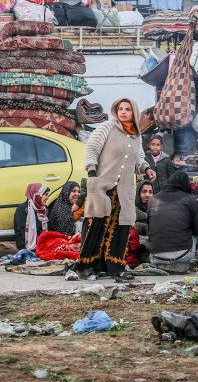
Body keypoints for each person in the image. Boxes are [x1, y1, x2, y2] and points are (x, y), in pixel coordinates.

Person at [75, 98, 156, 283]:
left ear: (134, 112)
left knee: (121, 228)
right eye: (120, 108)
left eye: (128, 109)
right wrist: (92, 172)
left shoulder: (136, 135)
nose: (123, 112)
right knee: (95, 225)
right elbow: (92, 149)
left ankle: (115, 267)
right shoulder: (106, 128)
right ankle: (85, 265)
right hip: (102, 185)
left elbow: (139, 159)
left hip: (124, 189)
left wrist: (146, 169)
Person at [147, 172, 198, 273]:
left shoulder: (153, 199)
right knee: (194, 231)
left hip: (156, 256)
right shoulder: (190, 199)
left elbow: (150, 229)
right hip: (182, 257)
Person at [13, 183, 50, 251]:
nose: (48, 198)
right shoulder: (23, 209)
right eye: (46, 195)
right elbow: (23, 233)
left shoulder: (44, 209)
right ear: (37, 195)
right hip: (26, 245)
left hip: (42, 243)